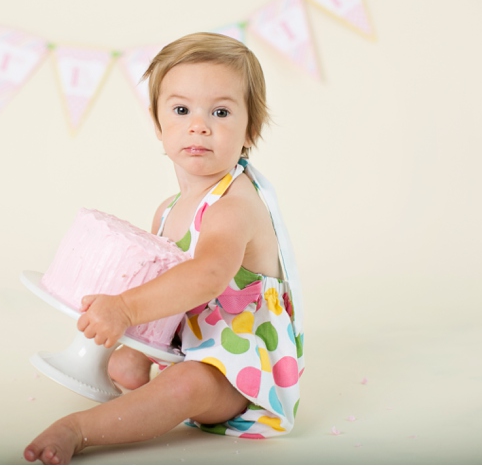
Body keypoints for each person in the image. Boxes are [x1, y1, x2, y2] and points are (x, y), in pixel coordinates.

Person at [24, 32, 304, 465]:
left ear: (250, 130)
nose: (199, 125)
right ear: (158, 125)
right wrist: (134, 341)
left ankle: (80, 429)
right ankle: (141, 400)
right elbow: (165, 287)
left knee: (187, 386)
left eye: (221, 112)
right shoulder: (169, 208)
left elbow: (207, 276)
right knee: (122, 366)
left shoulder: (234, 205)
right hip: (186, 347)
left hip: (239, 372)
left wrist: (127, 310)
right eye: (180, 109)